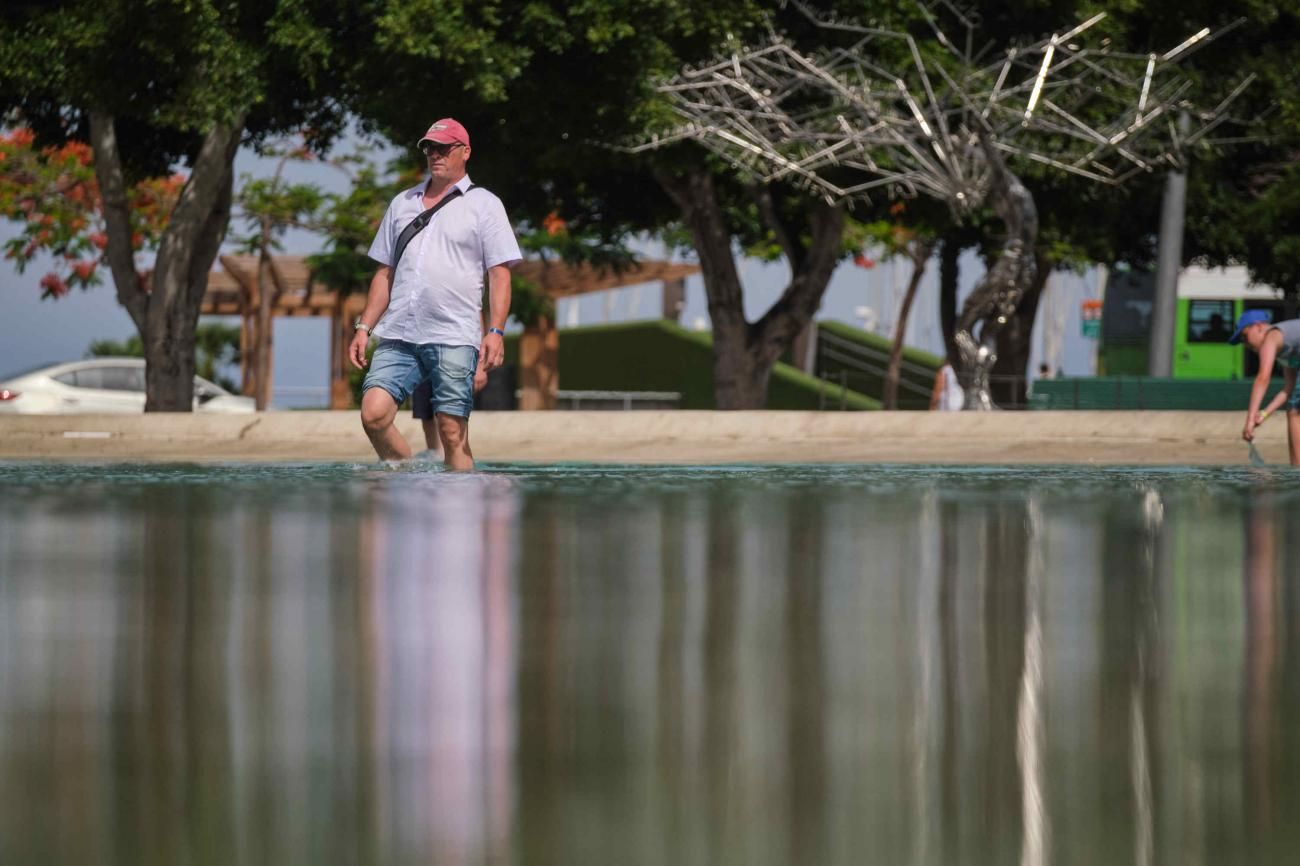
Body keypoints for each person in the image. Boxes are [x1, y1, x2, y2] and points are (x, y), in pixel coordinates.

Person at [349, 118, 521, 470]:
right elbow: (385, 272)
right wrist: (364, 327)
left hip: (454, 334)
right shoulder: (402, 203)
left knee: (451, 432)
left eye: (444, 148)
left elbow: (499, 275)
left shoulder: (485, 204)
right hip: (399, 332)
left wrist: (495, 331)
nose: (435, 154)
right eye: (430, 148)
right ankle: (405, 473)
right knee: (373, 414)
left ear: (465, 152)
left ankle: (460, 508)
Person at [1231, 309, 1300, 465]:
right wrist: (1264, 414)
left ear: (1259, 326)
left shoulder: (1272, 336)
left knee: (1295, 413)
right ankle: (1295, 469)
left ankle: (1297, 473)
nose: (1245, 344)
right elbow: (1288, 388)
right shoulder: (1285, 350)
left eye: (1245, 336)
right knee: (1294, 408)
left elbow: (1263, 378)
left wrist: (1249, 420)